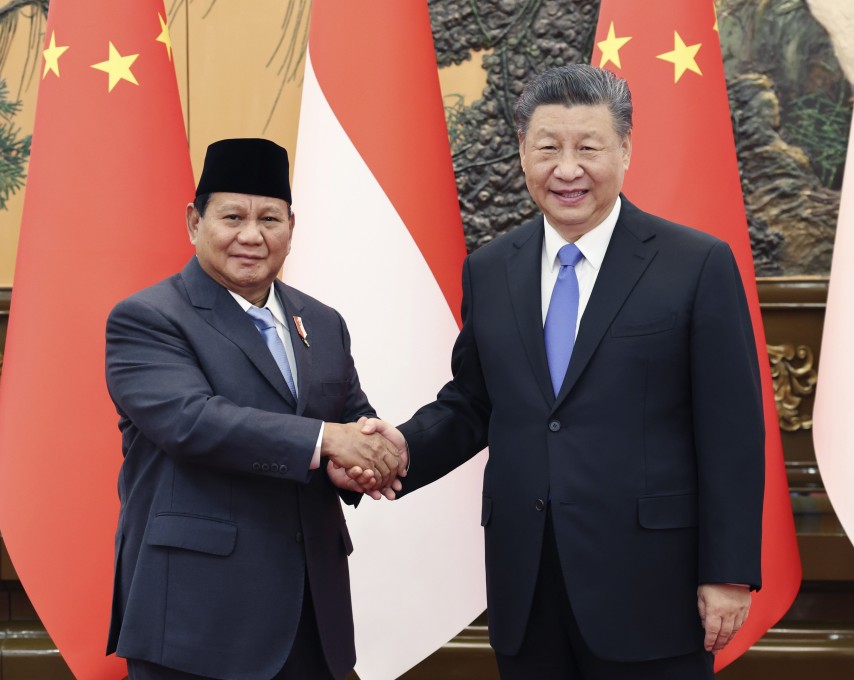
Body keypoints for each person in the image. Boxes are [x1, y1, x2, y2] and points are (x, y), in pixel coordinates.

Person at [363, 64, 765, 679]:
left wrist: (729, 572)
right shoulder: (492, 268)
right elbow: (475, 402)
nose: (567, 169)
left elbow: (732, 431)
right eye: (548, 147)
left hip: (651, 588)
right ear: (523, 151)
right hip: (528, 586)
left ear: (626, 149)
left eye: (589, 148)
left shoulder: (696, 264)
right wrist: (395, 450)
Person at [103, 138, 402, 680]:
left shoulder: (324, 322)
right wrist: (325, 442)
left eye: (270, 218)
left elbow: (353, 422)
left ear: (292, 225)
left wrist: (359, 461)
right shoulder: (148, 318)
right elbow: (192, 422)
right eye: (232, 216)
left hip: (313, 618)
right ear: (195, 222)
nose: (251, 235)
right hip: (198, 622)